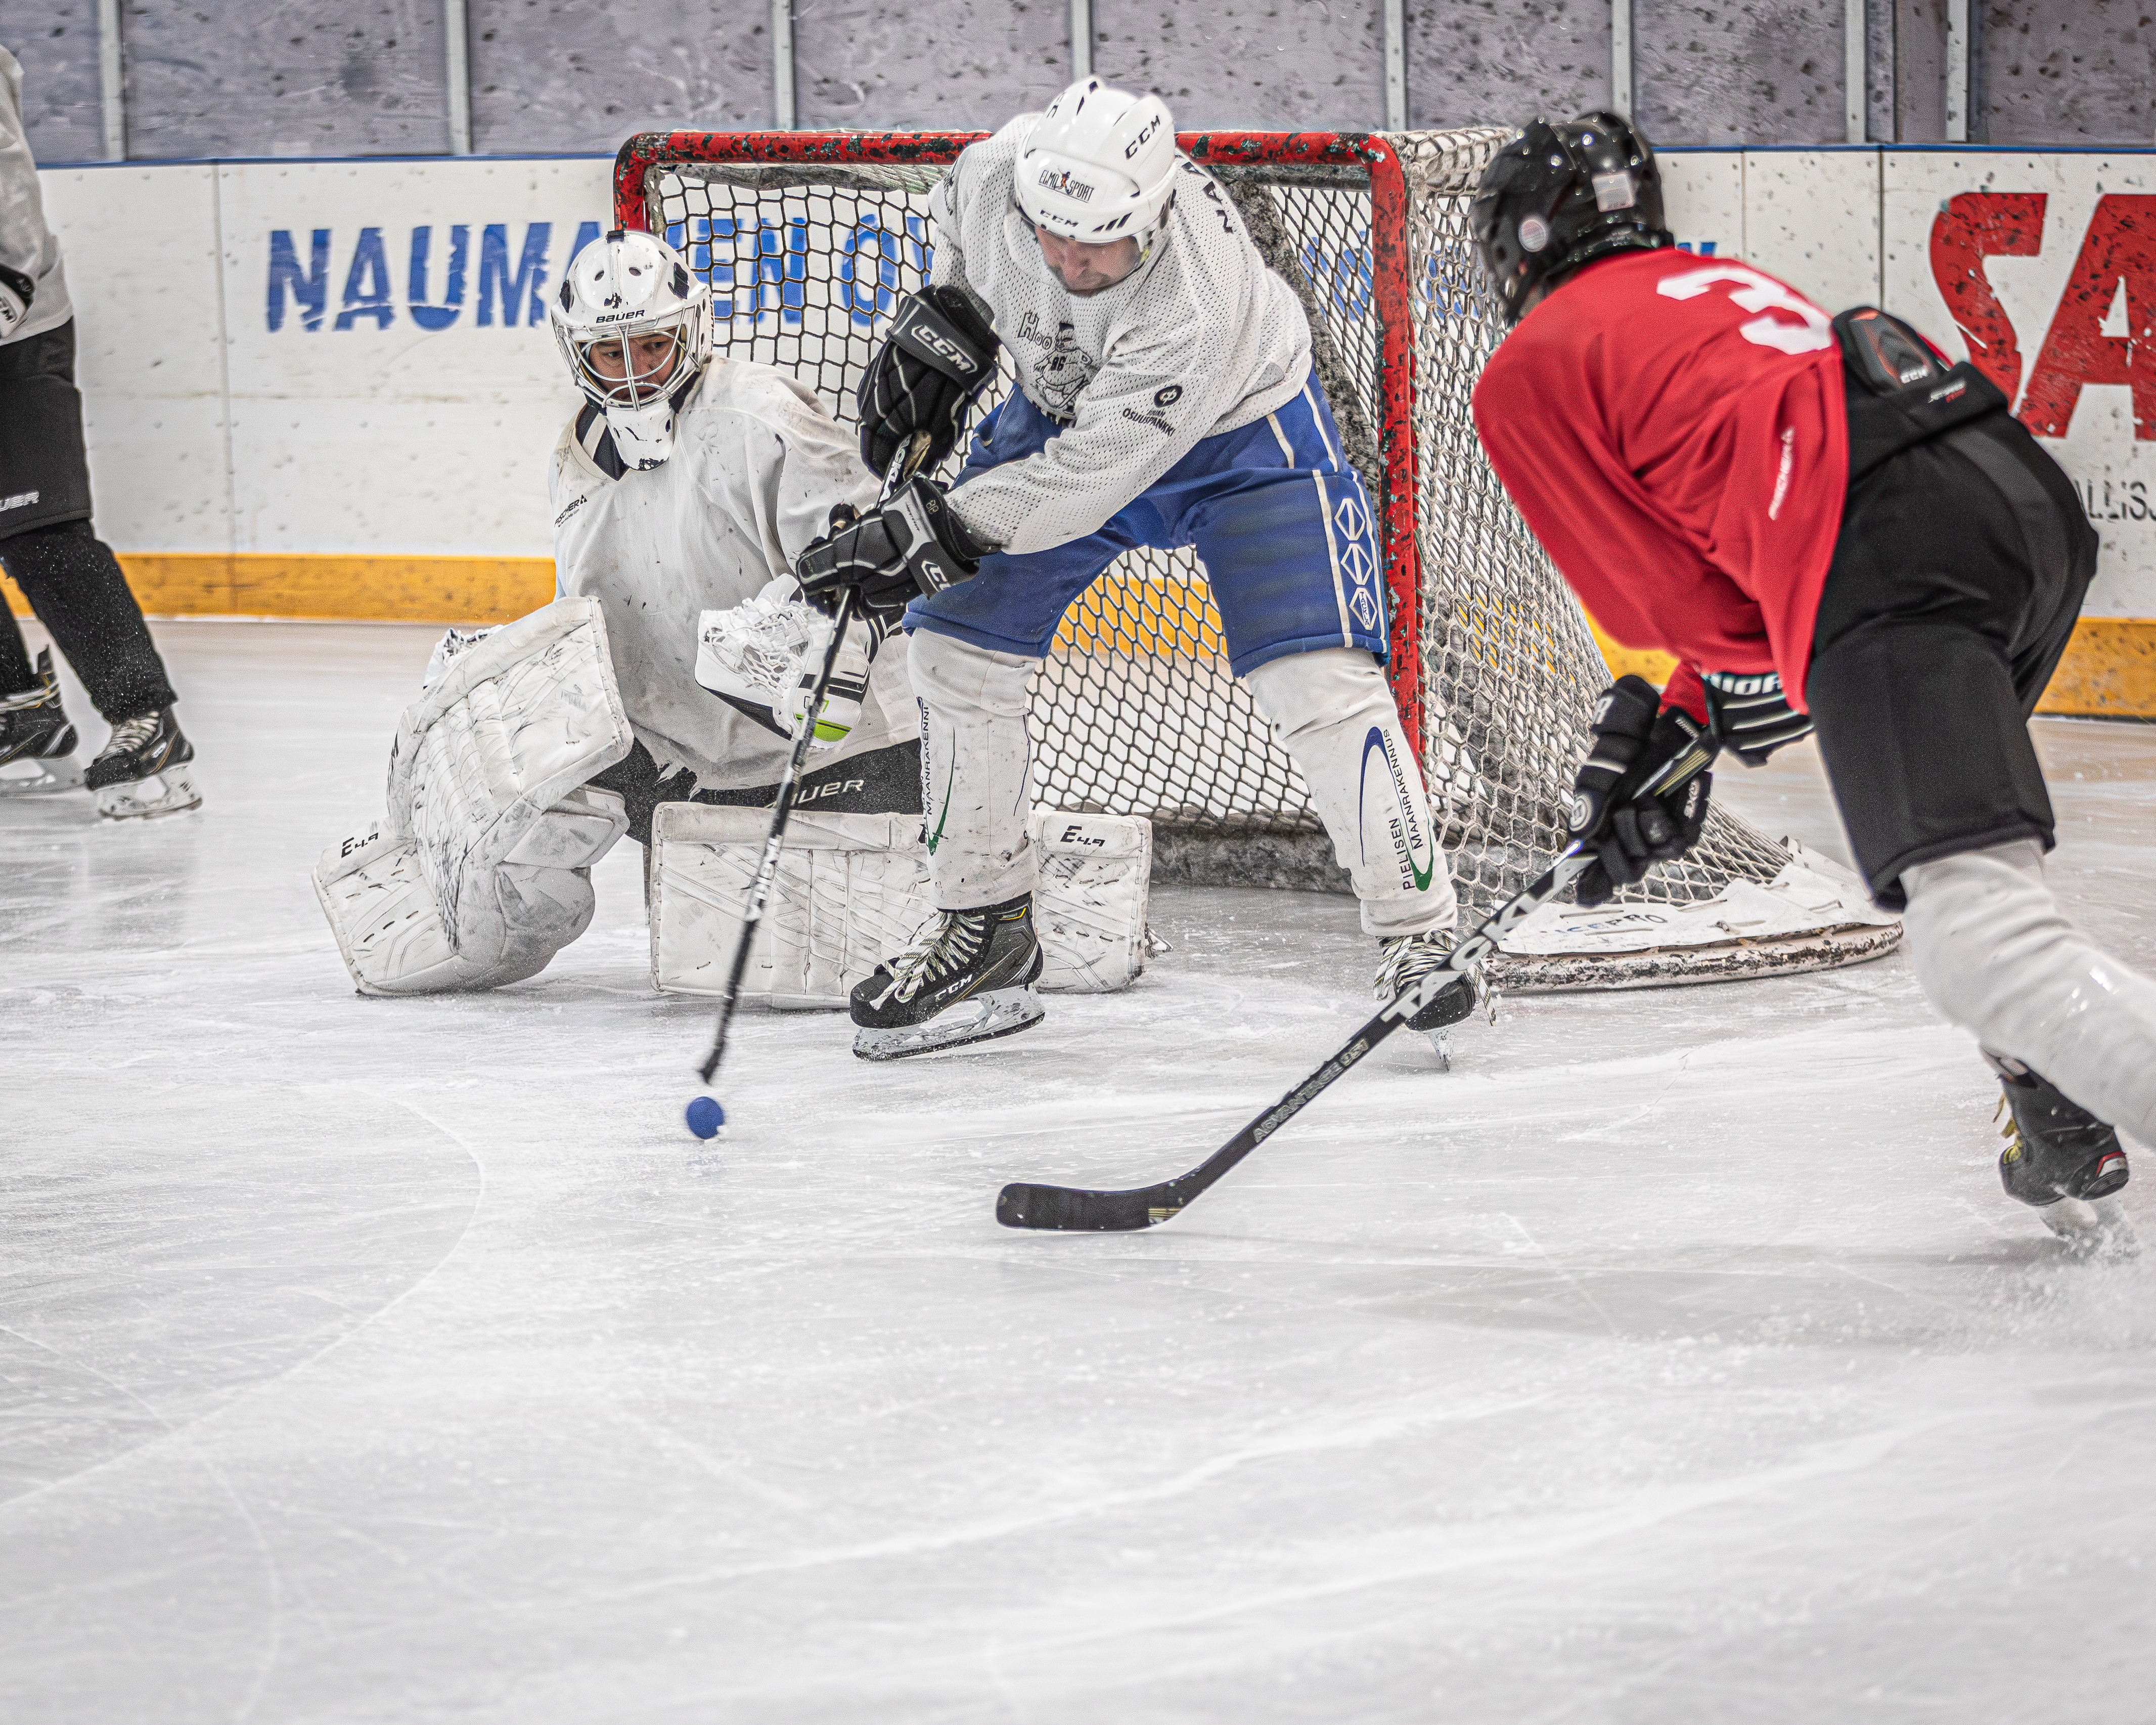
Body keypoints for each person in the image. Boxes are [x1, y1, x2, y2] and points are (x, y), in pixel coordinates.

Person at [1468, 111, 2139, 1248]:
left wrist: (1671, 732)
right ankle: (2047, 1090)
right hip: (2016, 501)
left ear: (1515, 247)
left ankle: (2045, 1049)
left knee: (1977, 941)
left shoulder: (1526, 367)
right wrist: (1684, 723)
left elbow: (1683, 616)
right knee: (1962, 876)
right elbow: (1740, 619)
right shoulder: (1709, 283)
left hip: (1886, 539)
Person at [792, 77, 1475, 1060]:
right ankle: (982, 922)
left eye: (1096, 244)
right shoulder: (992, 178)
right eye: (1050, 235)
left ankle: (1421, 936)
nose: (1067, 260)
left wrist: (931, 530)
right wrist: (948, 329)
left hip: (1241, 439)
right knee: (953, 651)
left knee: (1319, 682)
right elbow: (969, 267)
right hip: (1073, 412)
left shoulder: (1193, 299)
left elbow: (1084, 482)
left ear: (1151, 218)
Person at [313, 229, 919, 997]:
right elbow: (597, 632)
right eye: (610, 353)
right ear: (578, 353)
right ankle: (462, 925)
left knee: (807, 968)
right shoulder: (574, 456)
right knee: (506, 742)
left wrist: (813, 627)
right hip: (689, 768)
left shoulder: (763, 415)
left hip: (838, 757)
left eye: (652, 346)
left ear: (690, 333)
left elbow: (875, 571)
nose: (632, 374)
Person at [0, 43, 198, 818]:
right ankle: (17, 710)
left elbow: (3, 168)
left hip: (14, 330)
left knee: (40, 528)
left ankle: (144, 721)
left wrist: (10, 280)